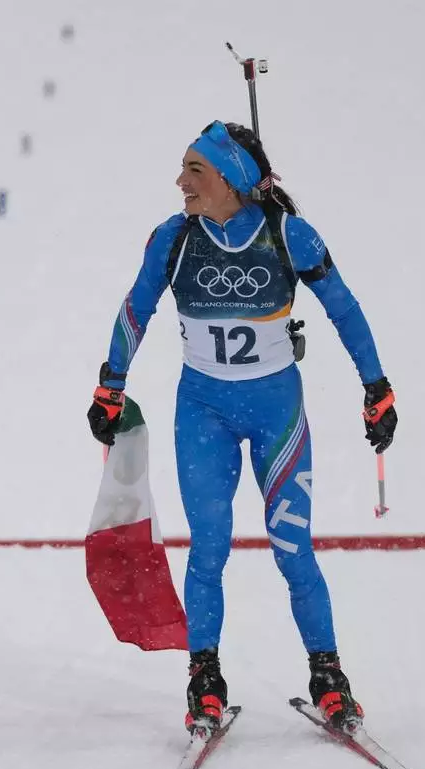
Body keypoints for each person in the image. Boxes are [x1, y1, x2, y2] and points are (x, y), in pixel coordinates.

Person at [86, 121, 397, 734]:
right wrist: (110, 384)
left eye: (194, 171)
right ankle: (204, 679)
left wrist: (376, 387)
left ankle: (328, 676)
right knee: (208, 549)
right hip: (203, 413)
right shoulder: (173, 239)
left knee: (293, 550)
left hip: (277, 415)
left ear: (231, 179)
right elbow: (135, 308)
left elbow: (345, 308)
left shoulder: (289, 235)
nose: (180, 182)